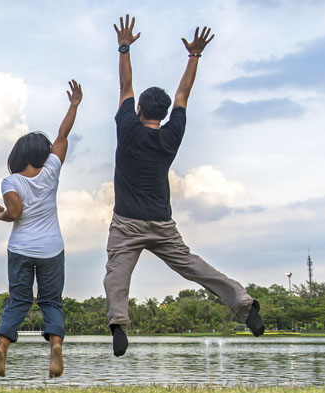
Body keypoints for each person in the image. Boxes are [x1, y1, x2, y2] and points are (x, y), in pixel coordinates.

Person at [104, 15, 265, 357]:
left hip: (126, 223)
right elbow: (183, 93)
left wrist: (124, 48)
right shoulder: (172, 135)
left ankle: (119, 324)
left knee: (116, 275)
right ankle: (244, 303)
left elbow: (124, 86)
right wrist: (194, 56)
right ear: (161, 115)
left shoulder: (127, 129)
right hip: (162, 224)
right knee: (195, 267)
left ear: (137, 110)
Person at [0, 80, 83, 379]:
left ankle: (3, 346)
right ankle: (55, 346)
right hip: (51, 249)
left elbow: (15, 212)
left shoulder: (11, 181)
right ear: (42, 154)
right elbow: (62, 135)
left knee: (18, 300)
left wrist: (2, 216)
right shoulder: (52, 170)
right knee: (50, 301)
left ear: (18, 155)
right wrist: (74, 105)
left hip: (20, 249)